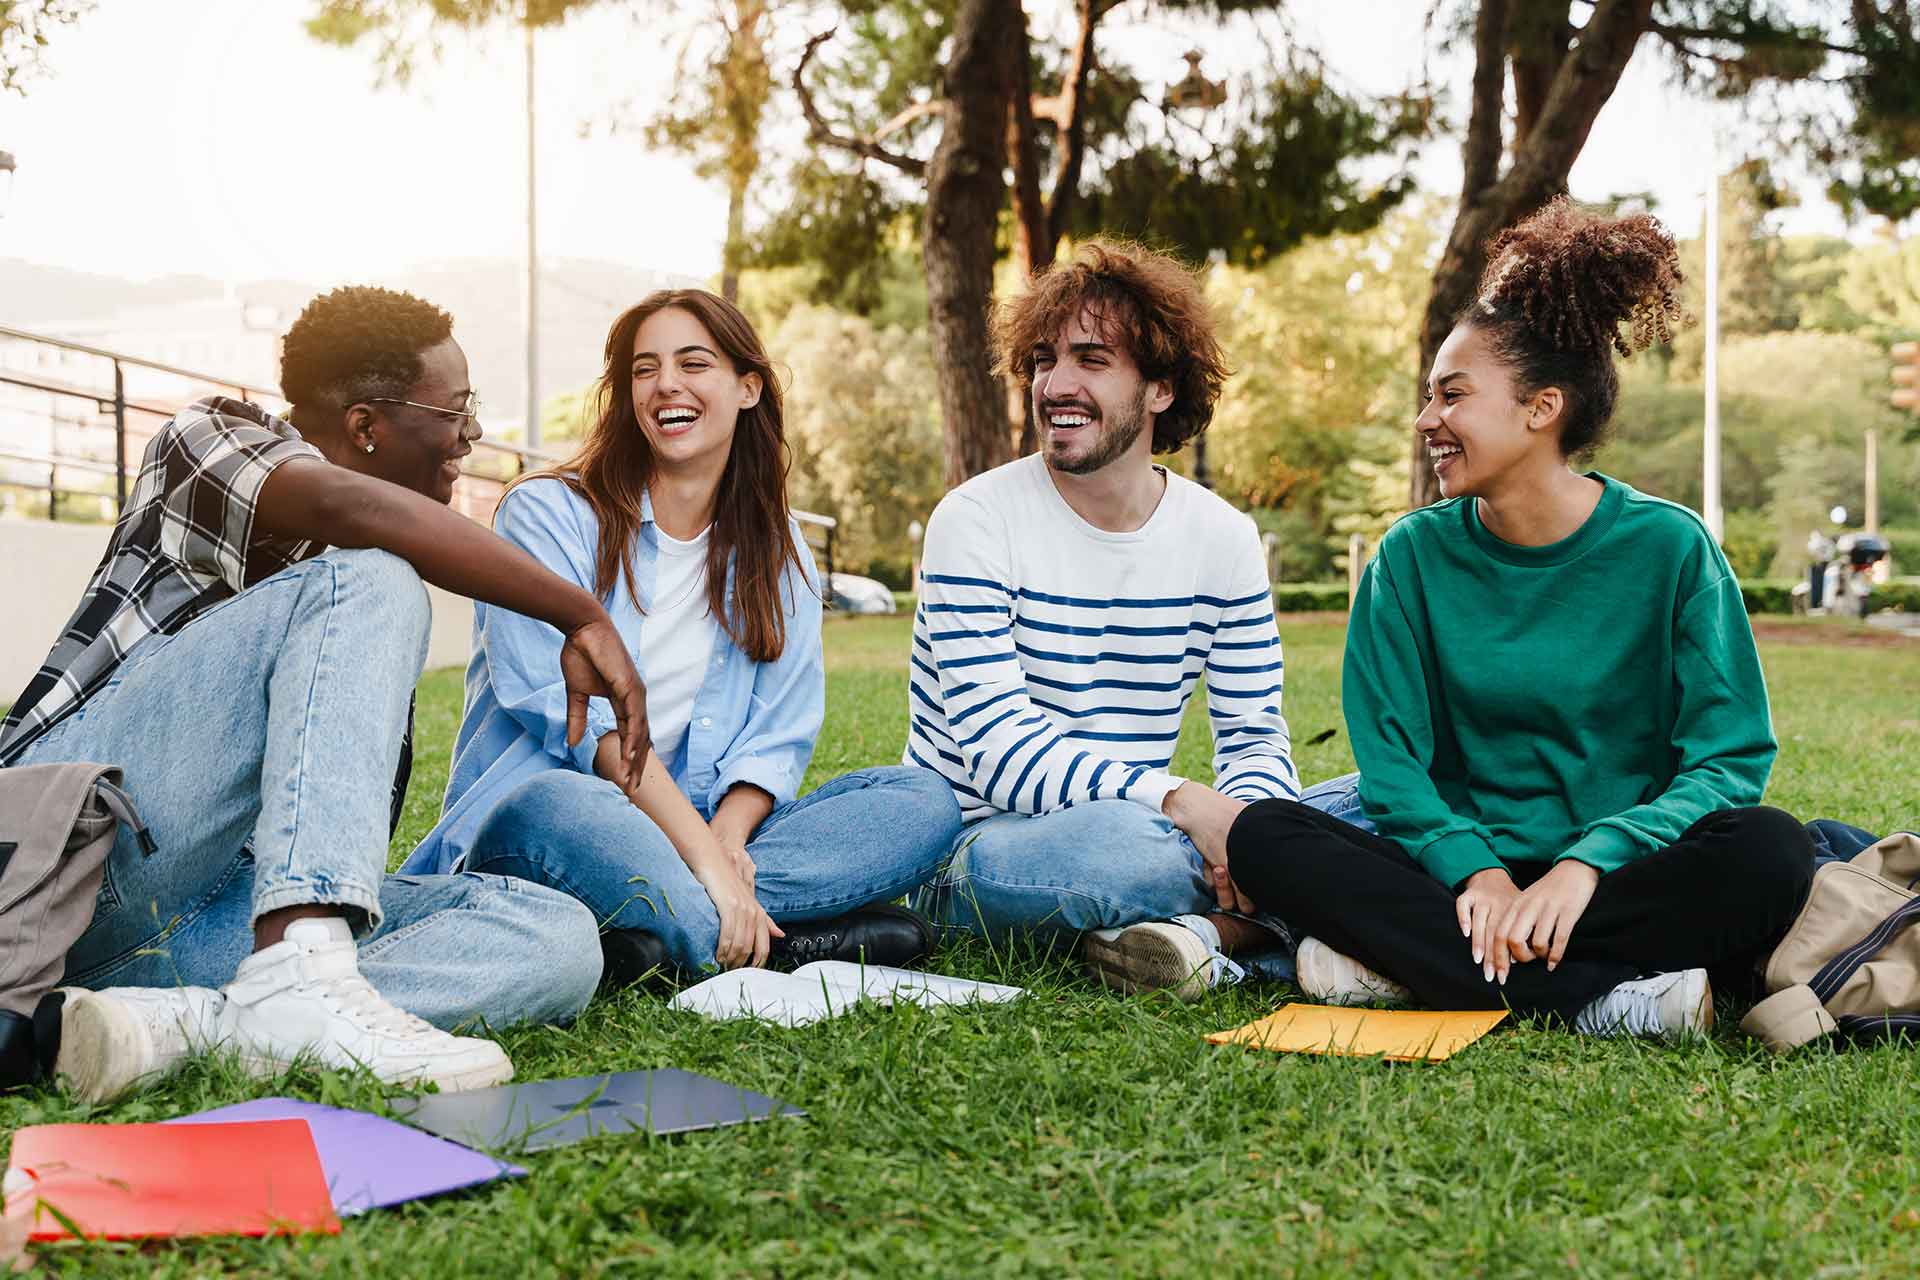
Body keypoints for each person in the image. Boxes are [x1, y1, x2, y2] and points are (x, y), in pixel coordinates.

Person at [4, 286, 651, 1103]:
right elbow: (350, 507)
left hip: (212, 918)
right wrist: (579, 611)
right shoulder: (203, 440)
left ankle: (182, 1024)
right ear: (366, 426)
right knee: (374, 577)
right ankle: (294, 976)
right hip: (66, 857)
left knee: (555, 939)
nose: (472, 435)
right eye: (455, 411)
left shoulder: (353, 626)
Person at [1226, 200, 1815, 1038]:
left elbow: (1728, 760)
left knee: (1771, 851)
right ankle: (1606, 997)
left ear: (1541, 409)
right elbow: (1392, 770)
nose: (1428, 420)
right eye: (1429, 397)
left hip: (1619, 878)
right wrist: (1481, 875)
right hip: (1455, 880)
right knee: (1264, 834)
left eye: (1453, 396)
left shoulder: (1672, 549)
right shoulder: (1408, 561)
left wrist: (1585, 864)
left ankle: (1414, 971)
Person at [404, 289, 960, 980]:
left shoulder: (780, 548)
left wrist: (725, 841)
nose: (666, 383)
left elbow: (778, 735)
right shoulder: (547, 513)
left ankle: (654, 940)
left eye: (694, 363)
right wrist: (704, 857)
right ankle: (771, 941)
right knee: (561, 804)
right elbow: (576, 728)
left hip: (694, 833)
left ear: (748, 387)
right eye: (645, 369)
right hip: (561, 821)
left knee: (920, 803)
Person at [906, 239, 1351, 1001]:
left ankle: (1198, 938)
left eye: (1091, 360)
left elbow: (1252, 734)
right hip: (979, 850)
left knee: (1376, 800)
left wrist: (1244, 829)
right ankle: (1281, 924)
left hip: (1145, 822)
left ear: (1161, 389)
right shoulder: (975, 519)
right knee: (1129, 854)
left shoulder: (1224, 539)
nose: (1056, 384)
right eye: (1044, 359)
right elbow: (999, 754)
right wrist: (1190, 808)